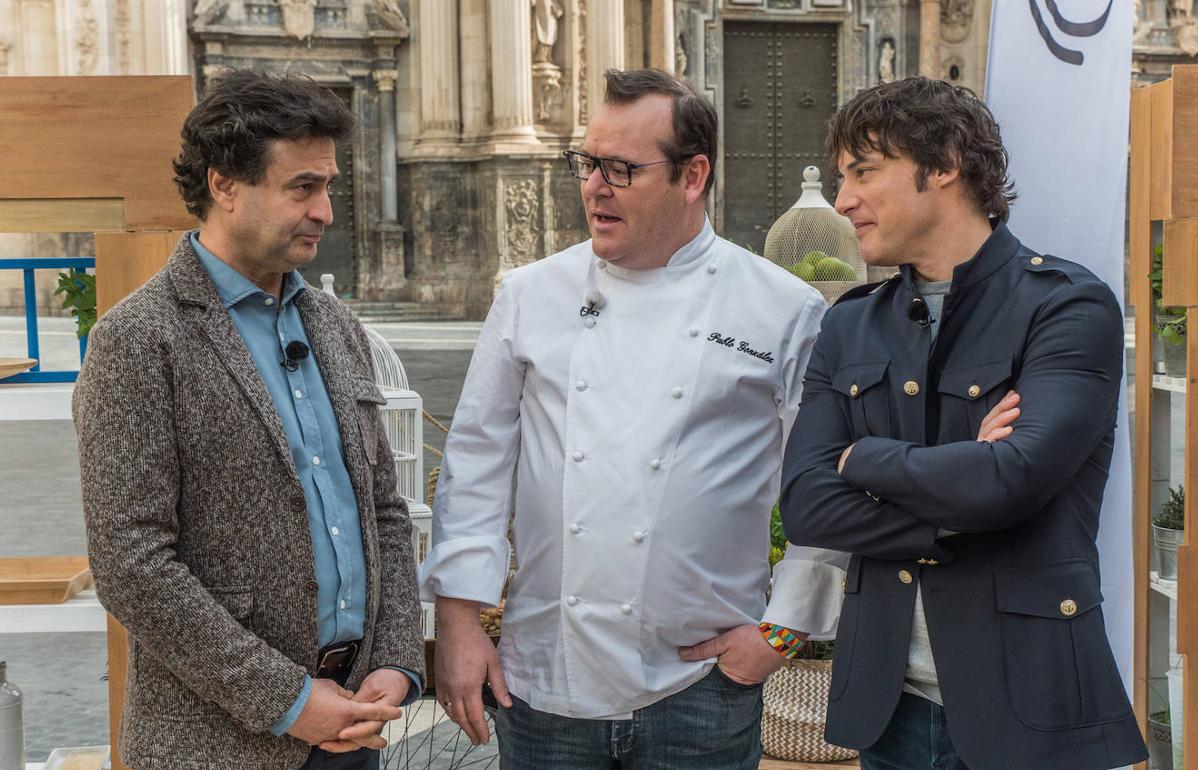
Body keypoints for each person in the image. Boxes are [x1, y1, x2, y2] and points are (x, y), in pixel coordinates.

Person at [418, 68, 845, 769]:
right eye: (589, 164)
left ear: (693, 175)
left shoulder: (781, 309)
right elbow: (476, 463)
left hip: (702, 689)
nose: (595, 187)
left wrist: (783, 632)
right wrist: (460, 622)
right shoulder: (531, 295)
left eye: (622, 169)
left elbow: (825, 482)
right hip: (545, 684)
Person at [780, 77, 1148, 770]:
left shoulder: (1066, 307)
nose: (842, 202)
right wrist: (957, 492)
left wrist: (862, 460)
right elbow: (805, 506)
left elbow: (1010, 482)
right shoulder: (850, 323)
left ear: (944, 164)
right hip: (889, 713)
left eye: (864, 172)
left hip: (1032, 709)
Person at [74, 68, 424, 770]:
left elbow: (381, 509)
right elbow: (132, 564)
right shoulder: (139, 340)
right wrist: (289, 702)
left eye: (328, 187)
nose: (325, 210)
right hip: (218, 745)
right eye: (303, 187)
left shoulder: (336, 325)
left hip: (355, 725)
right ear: (224, 185)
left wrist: (396, 658)